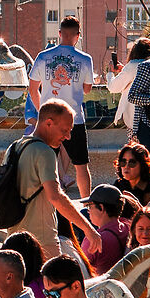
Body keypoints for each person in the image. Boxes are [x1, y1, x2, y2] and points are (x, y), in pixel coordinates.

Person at [14, 98, 95, 265]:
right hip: (42, 242)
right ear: (49, 123)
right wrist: (88, 229)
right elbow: (55, 196)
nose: (68, 137)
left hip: (15, 238)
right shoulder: (45, 152)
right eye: (65, 130)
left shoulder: (16, 147)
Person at [29, 16, 98, 194]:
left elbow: (32, 88)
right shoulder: (85, 59)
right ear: (78, 35)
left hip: (48, 120)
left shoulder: (43, 56)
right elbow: (87, 89)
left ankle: (45, 202)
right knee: (81, 166)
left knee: (43, 164)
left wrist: (42, 112)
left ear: (59, 33)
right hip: (74, 119)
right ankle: (86, 203)